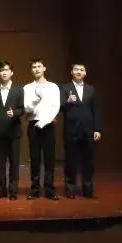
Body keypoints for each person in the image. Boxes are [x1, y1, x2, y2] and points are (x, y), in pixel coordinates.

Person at [0, 61, 25, 200]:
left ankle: (13, 191)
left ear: (11, 72)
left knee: (14, 163)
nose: (4, 72)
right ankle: (1, 189)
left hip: (14, 132)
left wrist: (15, 113)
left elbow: (22, 109)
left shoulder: (19, 90)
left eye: (6, 70)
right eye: (1, 70)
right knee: (0, 164)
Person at [60, 63, 102, 199]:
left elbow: (96, 110)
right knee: (70, 161)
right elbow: (59, 107)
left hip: (88, 131)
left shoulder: (91, 89)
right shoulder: (65, 88)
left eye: (81, 70)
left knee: (88, 162)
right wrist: (67, 101)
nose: (79, 72)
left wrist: (97, 129)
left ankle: (88, 190)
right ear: (71, 72)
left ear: (85, 73)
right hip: (71, 130)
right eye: (76, 69)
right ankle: (70, 190)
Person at [23, 57, 61, 201]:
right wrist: (36, 99)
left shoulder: (53, 86)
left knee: (49, 158)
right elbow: (27, 108)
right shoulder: (27, 88)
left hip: (48, 124)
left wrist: (45, 122)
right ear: (31, 70)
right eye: (34, 67)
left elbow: (55, 107)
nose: (37, 69)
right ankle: (35, 189)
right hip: (34, 124)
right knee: (35, 158)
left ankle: (49, 189)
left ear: (44, 68)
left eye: (39, 66)